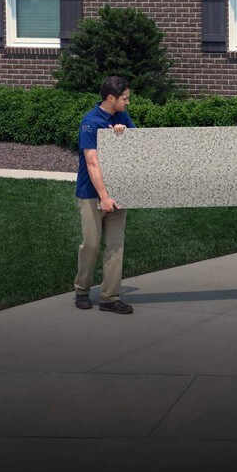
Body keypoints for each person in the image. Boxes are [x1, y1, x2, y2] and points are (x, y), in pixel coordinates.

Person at [73, 76, 136, 314]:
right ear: (111, 98)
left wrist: (123, 135)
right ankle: (82, 290)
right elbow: (92, 162)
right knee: (91, 244)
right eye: (124, 99)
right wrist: (104, 197)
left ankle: (109, 297)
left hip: (119, 191)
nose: (127, 103)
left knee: (116, 245)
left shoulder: (122, 118)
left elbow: (138, 146)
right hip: (92, 193)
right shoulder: (90, 122)